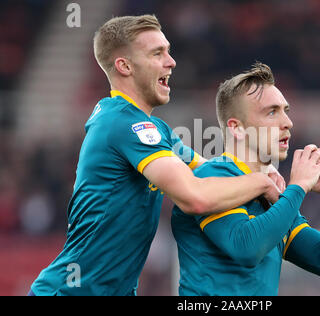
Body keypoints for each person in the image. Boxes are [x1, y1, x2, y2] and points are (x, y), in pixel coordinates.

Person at [29, 15, 281, 296]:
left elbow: (211, 171)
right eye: (157, 53)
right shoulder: (124, 124)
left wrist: (261, 168)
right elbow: (195, 197)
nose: (171, 62)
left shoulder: (152, 129)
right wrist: (262, 183)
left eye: (168, 51)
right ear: (124, 66)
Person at [171, 62, 320, 295]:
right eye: (272, 112)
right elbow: (246, 248)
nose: (287, 123)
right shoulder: (211, 178)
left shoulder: (273, 197)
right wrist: (298, 187)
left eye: (285, 111)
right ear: (237, 128)